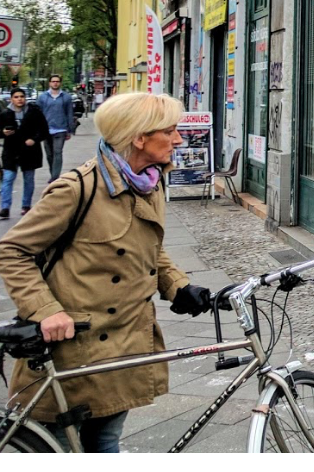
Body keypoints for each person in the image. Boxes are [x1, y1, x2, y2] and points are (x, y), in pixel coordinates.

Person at [0, 92, 212, 452]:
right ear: (139, 137)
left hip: (125, 342)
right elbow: (12, 250)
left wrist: (177, 285)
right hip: (73, 347)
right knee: (57, 448)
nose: (178, 139)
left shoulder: (150, 181)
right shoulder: (77, 189)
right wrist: (46, 311)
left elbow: (148, 247)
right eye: (169, 131)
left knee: (105, 441)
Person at [1, 88, 49, 218]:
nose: (19, 99)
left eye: (21, 96)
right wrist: (3, 132)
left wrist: (34, 139)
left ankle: (26, 205)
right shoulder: (5, 113)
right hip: (11, 151)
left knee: (28, 179)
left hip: (29, 151)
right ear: (11, 99)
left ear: (25, 98)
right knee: (8, 178)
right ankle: (5, 207)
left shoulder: (34, 112)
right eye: (16, 97)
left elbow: (44, 130)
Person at [36, 74, 78, 182]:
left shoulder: (66, 97)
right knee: (49, 154)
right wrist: (38, 129)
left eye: (57, 81)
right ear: (49, 83)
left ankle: (55, 177)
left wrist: (70, 130)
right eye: (53, 81)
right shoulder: (43, 97)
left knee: (58, 152)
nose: (55, 83)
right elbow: (37, 113)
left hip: (61, 129)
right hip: (46, 130)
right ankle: (53, 173)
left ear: (60, 83)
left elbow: (69, 113)